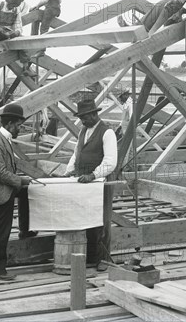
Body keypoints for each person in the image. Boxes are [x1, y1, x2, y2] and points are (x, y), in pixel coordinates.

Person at [0, 103, 37, 281]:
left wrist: (22, 183)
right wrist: (20, 180)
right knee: (1, 231)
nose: (20, 128)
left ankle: (25, 230)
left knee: (28, 192)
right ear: (10, 123)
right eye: (19, 125)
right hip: (1, 191)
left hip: (7, 187)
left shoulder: (4, 139)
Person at [64, 99, 117, 267]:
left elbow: (110, 162)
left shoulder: (107, 132)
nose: (83, 121)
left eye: (85, 117)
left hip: (101, 183)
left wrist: (93, 175)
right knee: (87, 219)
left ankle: (104, 259)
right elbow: (76, 153)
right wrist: (69, 171)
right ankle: (91, 257)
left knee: (102, 221)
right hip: (84, 183)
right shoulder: (83, 131)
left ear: (94, 114)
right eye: (81, 118)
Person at [117, 0, 184, 36]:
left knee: (172, 5)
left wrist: (181, 11)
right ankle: (135, 28)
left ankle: (150, 32)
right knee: (163, 3)